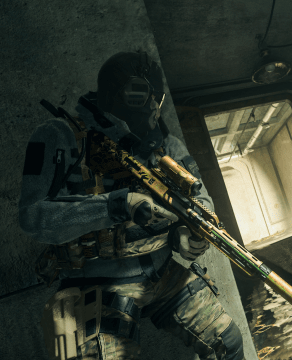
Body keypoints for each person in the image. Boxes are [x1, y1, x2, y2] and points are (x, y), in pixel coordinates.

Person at [19, 52, 244, 360]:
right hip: (94, 287)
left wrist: (186, 233)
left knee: (228, 343)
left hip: (163, 275)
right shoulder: (60, 136)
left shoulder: (168, 145)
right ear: (113, 95)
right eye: (140, 93)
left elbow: (200, 199)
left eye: (157, 95)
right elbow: (32, 217)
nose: (153, 104)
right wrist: (115, 205)